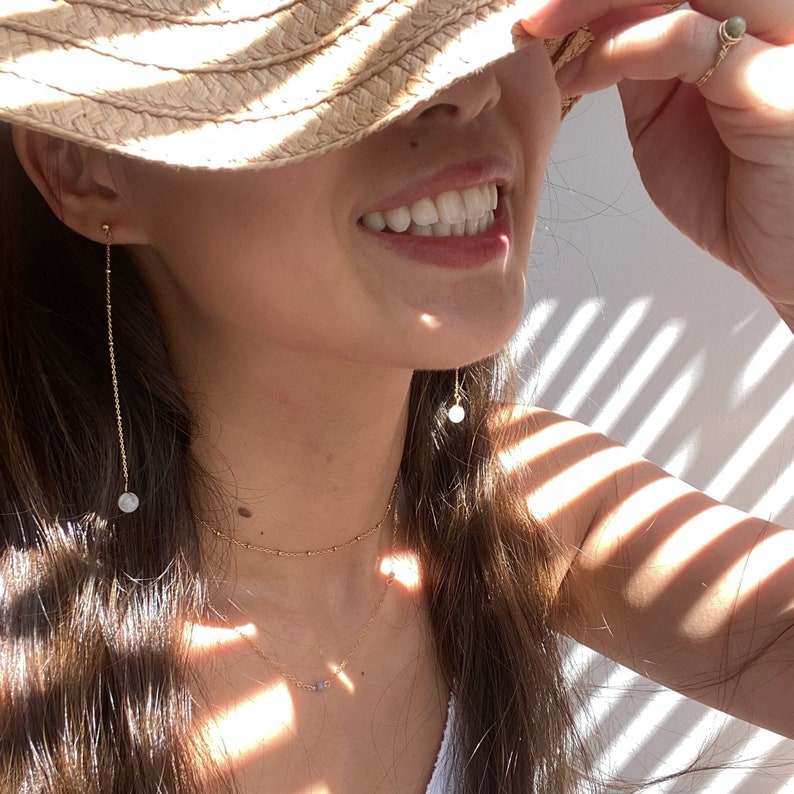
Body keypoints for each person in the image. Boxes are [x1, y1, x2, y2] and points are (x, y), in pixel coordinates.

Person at [0, 0, 792, 791]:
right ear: (86, 170)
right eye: (330, 24)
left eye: (498, 19)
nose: (471, 87)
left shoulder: (526, 502)